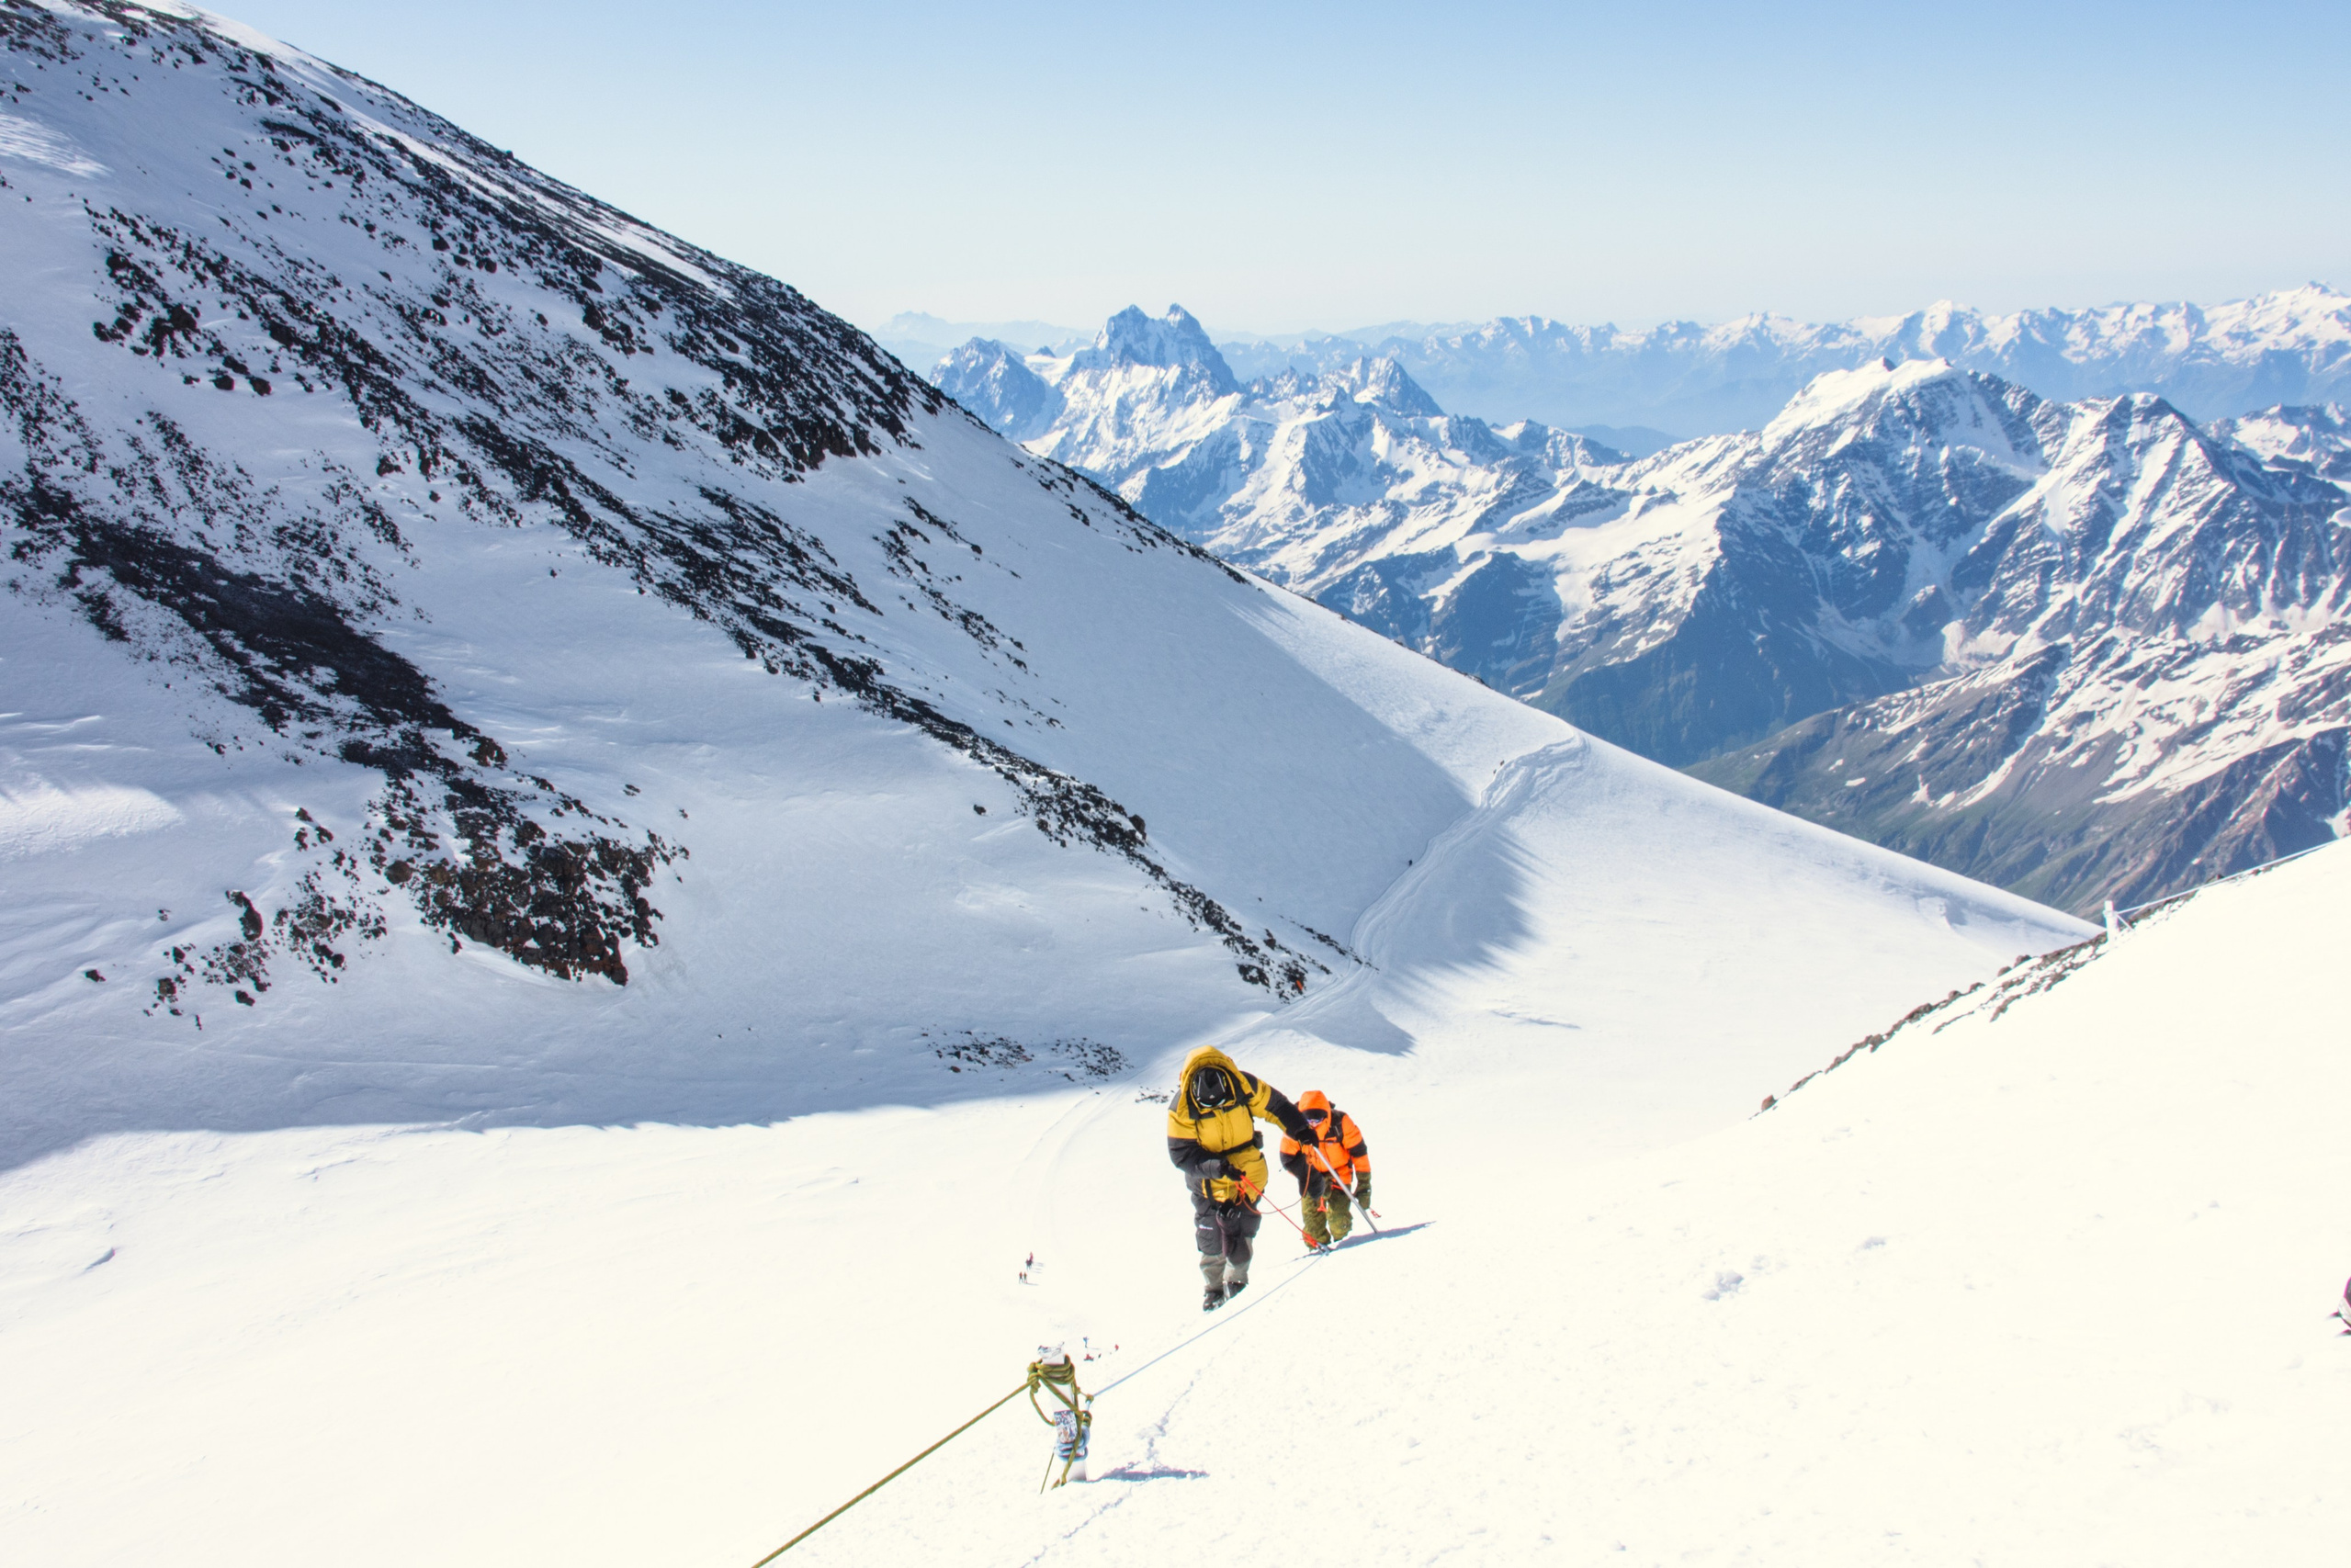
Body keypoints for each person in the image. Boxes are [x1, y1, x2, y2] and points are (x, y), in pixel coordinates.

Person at [1166, 1045, 1316, 1311]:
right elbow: (1182, 1155)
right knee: (1210, 1232)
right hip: (1207, 1183)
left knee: (1243, 1228)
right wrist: (1217, 1167)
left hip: (1247, 1175)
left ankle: (1236, 1281)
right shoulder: (1182, 1106)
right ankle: (1213, 1289)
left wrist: (1299, 1128)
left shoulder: (1242, 1083)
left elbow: (1276, 1106)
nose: (1218, 1108)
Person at [1279, 1090, 1372, 1248]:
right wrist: (1312, 1178)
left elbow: (1359, 1152)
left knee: (1338, 1222)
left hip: (1338, 1176)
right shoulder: (1294, 1127)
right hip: (1311, 1177)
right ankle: (1318, 1251)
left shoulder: (1340, 1123)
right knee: (1313, 1229)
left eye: (1318, 1119)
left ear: (1326, 1114)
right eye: (1309, 1120)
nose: (1314, 1124)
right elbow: (1287, 1159)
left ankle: (1345, 1248)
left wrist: (1364, 1186)